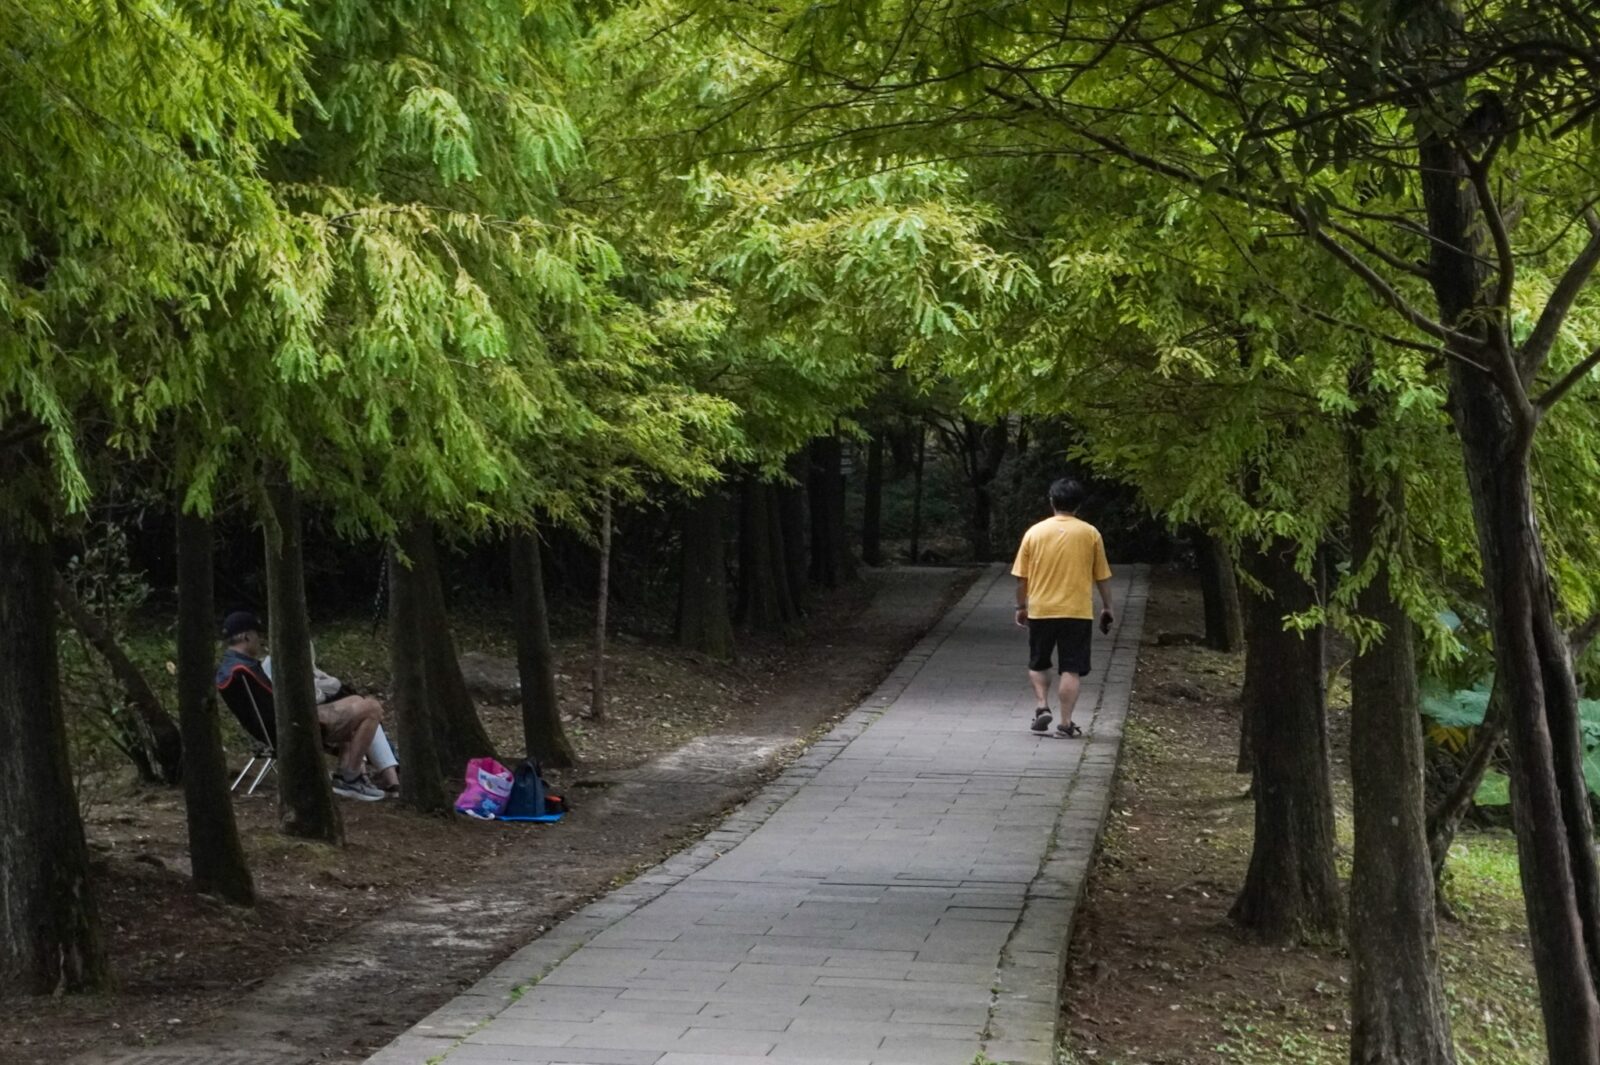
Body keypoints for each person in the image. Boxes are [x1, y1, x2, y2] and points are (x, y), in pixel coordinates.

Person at [216, 611, 389, 801]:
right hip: (293, 725)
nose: (260, 640)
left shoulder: (231, 666)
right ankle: (351, 777)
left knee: (355, 700)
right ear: (246, 636)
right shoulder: (243, 670)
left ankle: (345, 776)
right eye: (257, 635)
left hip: (278, 724)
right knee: (371, 707)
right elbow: (278, 704)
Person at [1011, 478, 1115, 737]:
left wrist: (1021, 606)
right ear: (1079, 504)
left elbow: (1021, 578)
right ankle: (1065, 724)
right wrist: (1107, 607)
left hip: (1042, 609)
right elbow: (1102, 576)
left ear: (1051, 500)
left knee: (1038, 662)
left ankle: (1042, 705)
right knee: (1071, 667)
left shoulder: (1034, 533)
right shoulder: (1090, 533)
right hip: (1077, 611)